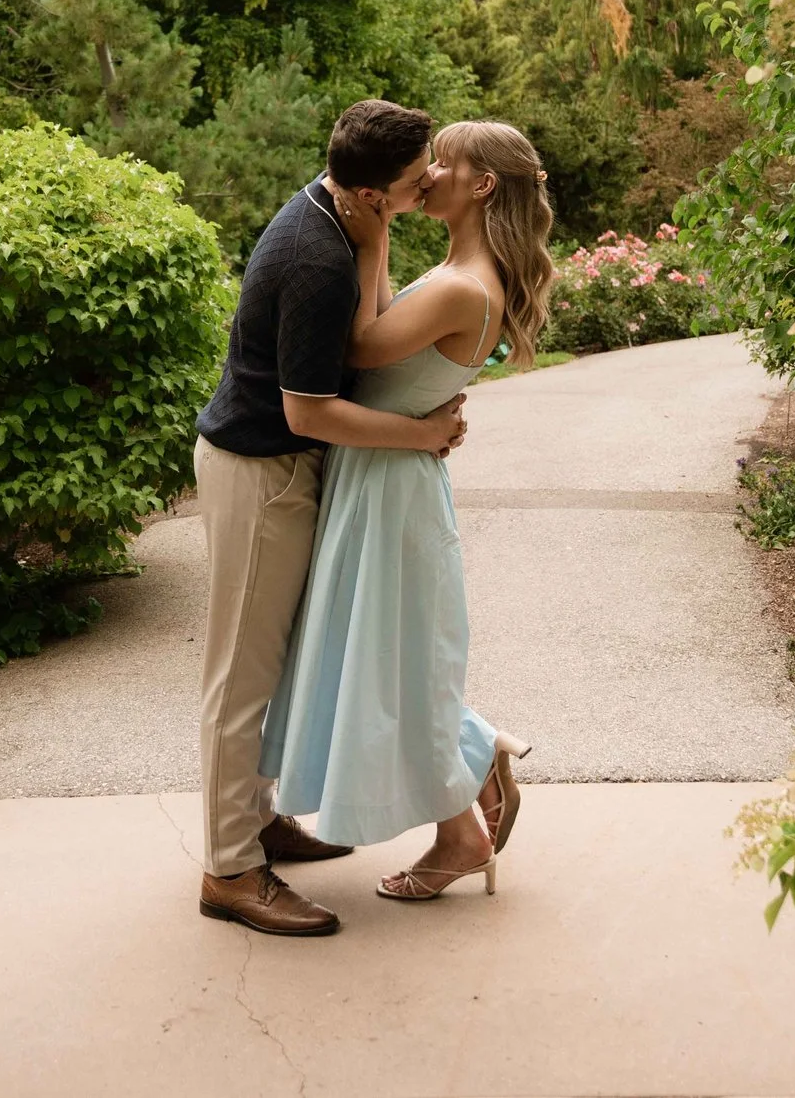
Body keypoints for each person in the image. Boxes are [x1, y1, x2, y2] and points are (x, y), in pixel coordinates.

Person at [191, 100, 469, 937]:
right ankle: (230, 870)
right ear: (369, 192)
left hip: (280, 466)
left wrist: (381, 233)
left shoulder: (341, 218)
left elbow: (367, 323)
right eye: (419, 181)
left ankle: (257, 822)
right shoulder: (316, 257)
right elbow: (310, 410)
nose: (434, 185)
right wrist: (421, 434)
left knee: (271, 661)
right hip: (260, 469)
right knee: (240, 676)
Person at [260, 120, 556, 901]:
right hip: (384, 475)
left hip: (391, 489)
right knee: (383, 660)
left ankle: (461, 832)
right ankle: (478, 751)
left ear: (482, 184)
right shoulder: (459, 269)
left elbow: (358, 344)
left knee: (394, 666)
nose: (427, 176)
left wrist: (376, 219)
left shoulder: (464, 283)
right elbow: (383, 322)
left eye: (443, 163)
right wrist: (381, 225)